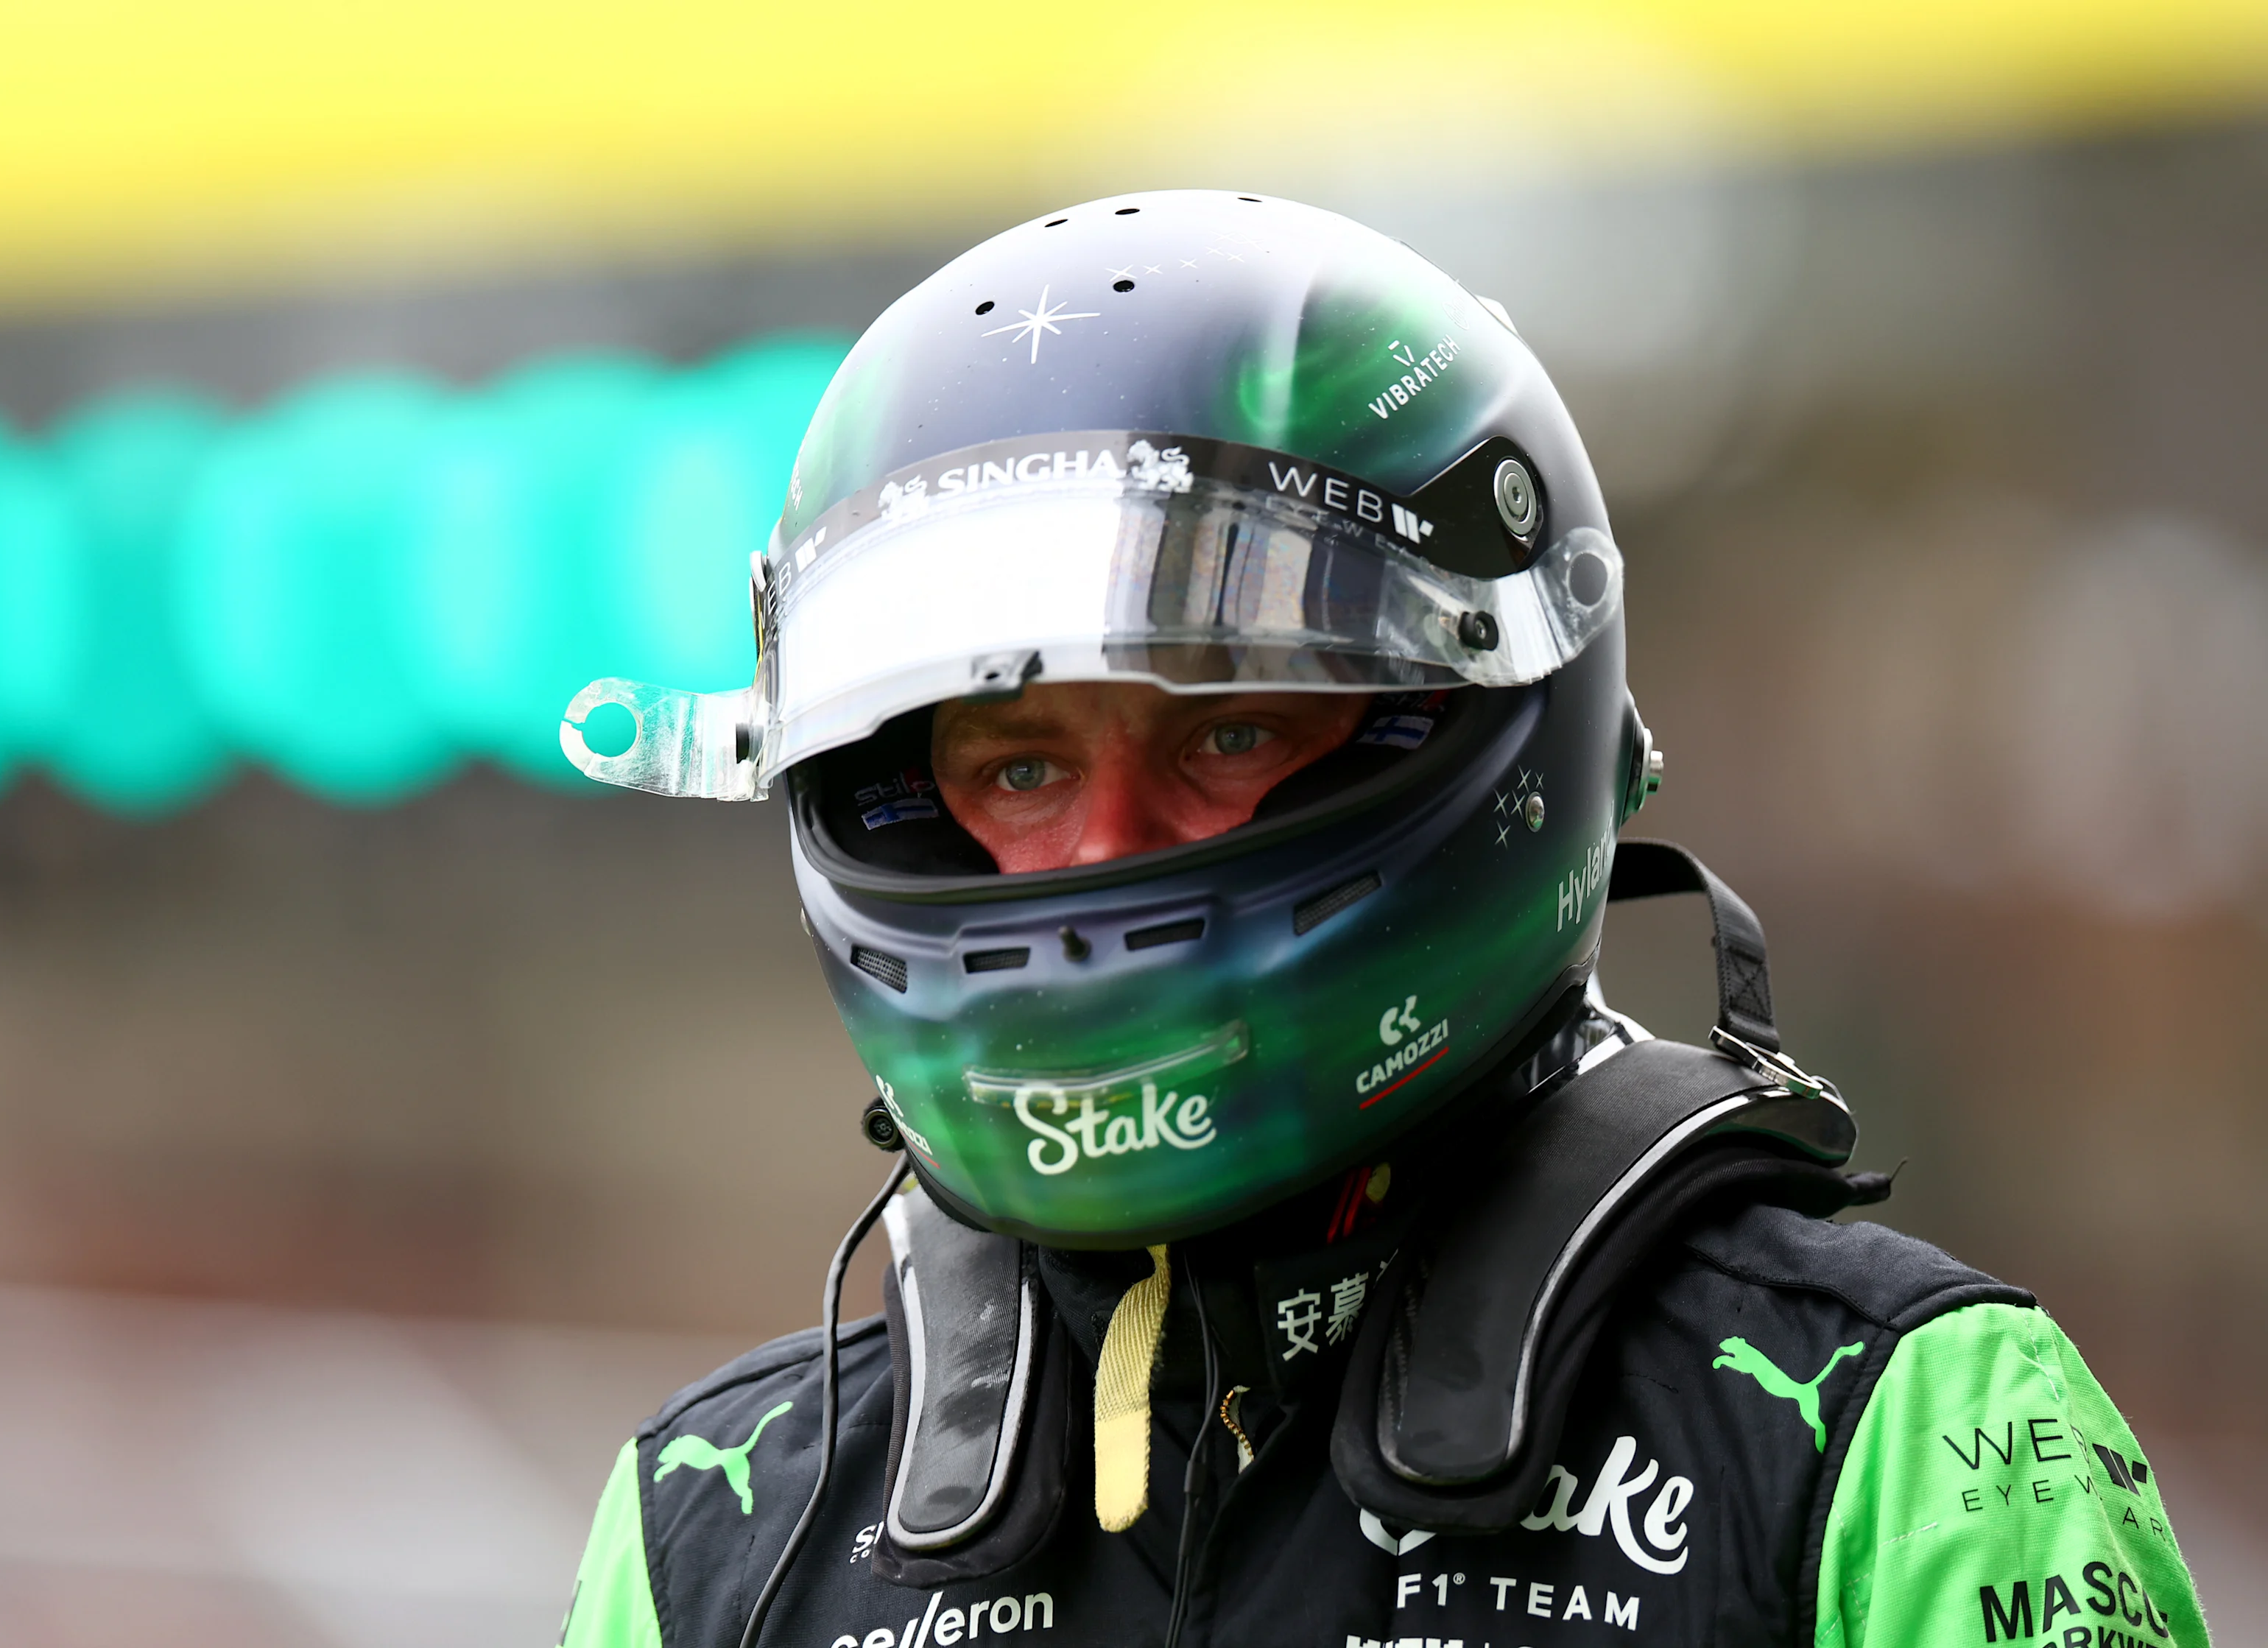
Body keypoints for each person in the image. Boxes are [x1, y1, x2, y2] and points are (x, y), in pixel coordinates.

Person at [552, 192, 2208, 1648]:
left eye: (1226, 736)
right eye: (1019, 765)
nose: (1101, 851)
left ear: (1476, 725)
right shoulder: (718, 1533)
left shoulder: (1899, 1434)